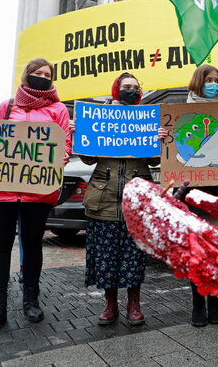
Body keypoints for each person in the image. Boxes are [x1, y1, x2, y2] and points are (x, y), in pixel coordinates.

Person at [0, 58, 72, 334]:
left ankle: (31, 300)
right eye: (37, 73)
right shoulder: (7, 106)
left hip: (38, 191)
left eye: (47, 74)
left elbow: (64, 145)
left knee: (32, 245)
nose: (42, 77)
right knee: (0, 245)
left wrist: (61, 157)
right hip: (3, 191)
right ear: (27, 75)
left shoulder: (58, 110)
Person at [78, 72, 162, 326]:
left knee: (134, 256)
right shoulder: (98, 117)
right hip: (104, 198)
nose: (131, 91)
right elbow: (88, 158)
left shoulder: (148, 118)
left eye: (136, 87)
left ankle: (134, 304)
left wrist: (159, 141)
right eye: (126, 87)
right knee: (106, 256)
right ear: (116, 90)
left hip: (137, 198)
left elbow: (156, 161)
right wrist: (80, 133)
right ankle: (110, 303)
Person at [184, 64, 218, 327]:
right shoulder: (181, 110)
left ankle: (214, 298)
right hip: (192, 194)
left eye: (216, 80)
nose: (212, 85)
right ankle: (197, 300)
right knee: (196, 251)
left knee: (215, 250)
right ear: (198, 83)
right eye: (208, 80)